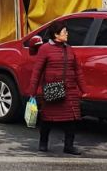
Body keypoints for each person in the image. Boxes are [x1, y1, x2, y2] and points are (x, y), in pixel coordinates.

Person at [28, 22, 87, 155]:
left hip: (70, 90)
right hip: (52, 89)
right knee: (47, 119)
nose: (67, 34)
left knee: (71, 120)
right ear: (56, 34)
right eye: (64, 32)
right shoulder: (45, 49)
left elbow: (78, 71)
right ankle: (43, 143)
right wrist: (32, 92)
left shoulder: (70, 49)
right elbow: (37, 71)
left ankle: (69, 146)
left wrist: (84, 90)